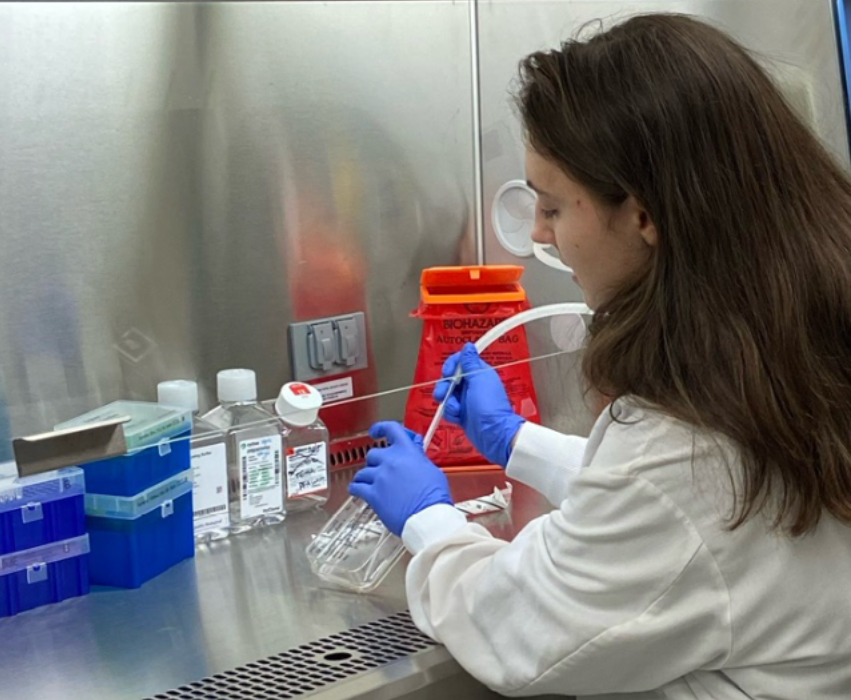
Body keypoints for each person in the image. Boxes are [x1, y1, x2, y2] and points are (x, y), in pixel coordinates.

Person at [350, 13, 851, 699]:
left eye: (553, 208)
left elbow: (521, 629)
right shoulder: (794, 337)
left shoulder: (680, 452)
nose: (538, 234)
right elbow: (699, 516)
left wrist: (428, 523)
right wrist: (517, 442)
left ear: (643, 215)